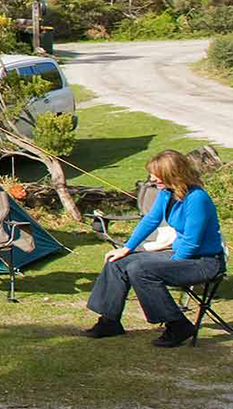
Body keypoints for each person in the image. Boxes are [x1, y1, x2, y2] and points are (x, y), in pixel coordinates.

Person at [83, 149, 226, 347]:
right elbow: (150, 220)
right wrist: (126, 248)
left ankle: (177, 325)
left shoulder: (197, 199)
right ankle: (109, 321)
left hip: (205, 262)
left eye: (156, 175)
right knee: (118, 262)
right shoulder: (167, 193)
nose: (152, 179)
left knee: (140, 269)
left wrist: (170, 266)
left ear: (173, 174)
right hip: (182, 255)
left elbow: (192, 243)